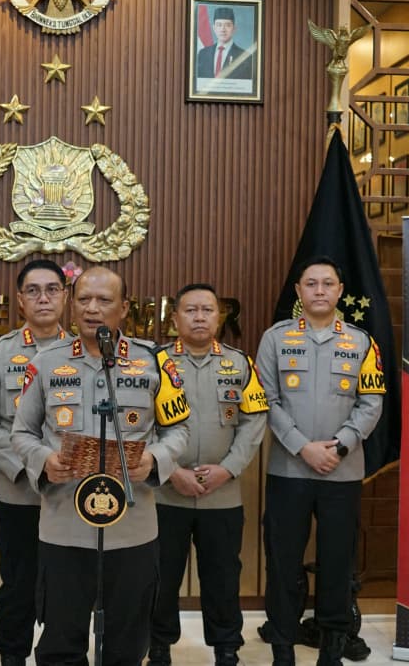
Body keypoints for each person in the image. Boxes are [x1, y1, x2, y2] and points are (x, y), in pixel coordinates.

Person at [11, 266, 190, 666]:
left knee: (128, 642)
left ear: (124, 308)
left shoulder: (154, 361)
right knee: (60, 642)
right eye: (84, 300)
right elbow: (21, 433)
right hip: (64, 525)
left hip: (132, 526)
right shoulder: (45, 362)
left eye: (104, 300)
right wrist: (44, 461)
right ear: (72, 306)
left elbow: (178, 429)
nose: (92, 309)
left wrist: (155, 460)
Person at [256, 257, 385, 666]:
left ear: (340, 291)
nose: (319, 290)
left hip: (341, 473)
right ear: (298, 291)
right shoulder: (275, 339)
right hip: (288, 470)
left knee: (337, 565)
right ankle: (282, 648)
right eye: (310, 283)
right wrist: (302, 447)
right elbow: (265, 400)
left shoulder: (362, 342)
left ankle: (332, 651)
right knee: (282, 563)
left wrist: (340, 447)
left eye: (327, 283)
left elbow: (371, 403)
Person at [148, 284, 268, 666]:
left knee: (223, 577)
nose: (199, 317)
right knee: (160, 576)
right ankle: (158, 646)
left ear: (220, 316)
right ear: (175, 318)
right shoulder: (154, 363)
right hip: (165, 493)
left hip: (222, 494)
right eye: (190, 310)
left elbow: (254, 421)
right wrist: (170, 471)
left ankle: (226, 648)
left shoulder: (240, 363)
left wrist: (228, 469)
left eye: (207, 310)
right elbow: (140, 424)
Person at [0, 259, 70, 666]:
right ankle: (12, 655)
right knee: (18, 582)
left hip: (70, 494)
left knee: (66, 582)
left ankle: (60, 656)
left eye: (52, 289)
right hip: (19, 493)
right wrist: (34, 463)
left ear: (65, 297)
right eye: (33, 291)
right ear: (20, 301)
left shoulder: (84, 352)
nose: (43, 298)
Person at [196, 7, 252, 80]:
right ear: (214, 28)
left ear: (234, 28)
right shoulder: (203, 54)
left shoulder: (245, 57)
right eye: (219, 25)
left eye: (228, 25)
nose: (223, 29)